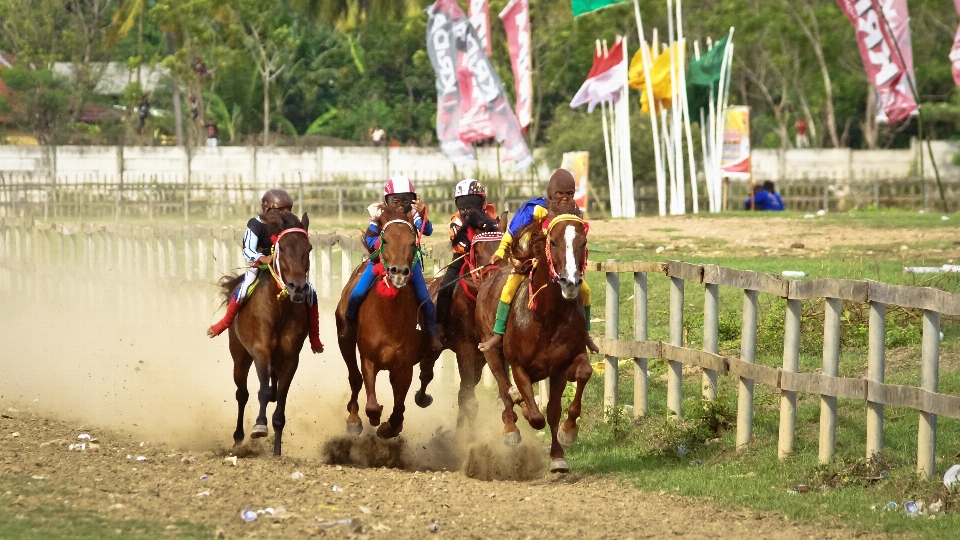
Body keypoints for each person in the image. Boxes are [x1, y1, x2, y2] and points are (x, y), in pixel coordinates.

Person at [478, 169, 599, 353]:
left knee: (586, 291)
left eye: (569, 194)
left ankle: (585, 335)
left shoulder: (575, 214)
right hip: (530, 259)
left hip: (559, 265)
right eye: (560, 194)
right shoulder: (535, 209)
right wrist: (501, 251)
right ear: (551, 194)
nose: (565, 198)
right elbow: (512, 231)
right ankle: (498, 333)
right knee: (509, 287)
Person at [206, 189, 323, 353]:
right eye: (282, 210)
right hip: (261, 267)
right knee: (243, 289)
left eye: (288, 209)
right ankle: (225, 322)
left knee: (310, 293)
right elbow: (247, 249)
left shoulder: (289, 226)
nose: (286, 213)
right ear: (267, 209)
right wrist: (261, 258)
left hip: (284, 270)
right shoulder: (256, 225)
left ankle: (315, 338)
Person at [345, 176, 438, 339]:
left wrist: (424, 215)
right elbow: (369, 238)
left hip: (409, 264)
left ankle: (432, 336)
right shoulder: (379, 214)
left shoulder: (414, 214)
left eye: (406, 200)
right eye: (396, 201)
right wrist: (386, 244)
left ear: (413, 200)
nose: (401, 205)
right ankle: (348, 326)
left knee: (426, 300)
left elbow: (428, 230)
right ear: (387, 200)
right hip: (379, 262)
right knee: (357, 293)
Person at [435, 179, 499, 327]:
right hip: (462, 258)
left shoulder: (493, 218)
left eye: (471, 204)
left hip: (492, 257)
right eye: (462, 206)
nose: (467, 211)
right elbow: (462, 245)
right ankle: (439, 326)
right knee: (446, 287)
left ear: (482, 203)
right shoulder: (456, 222)